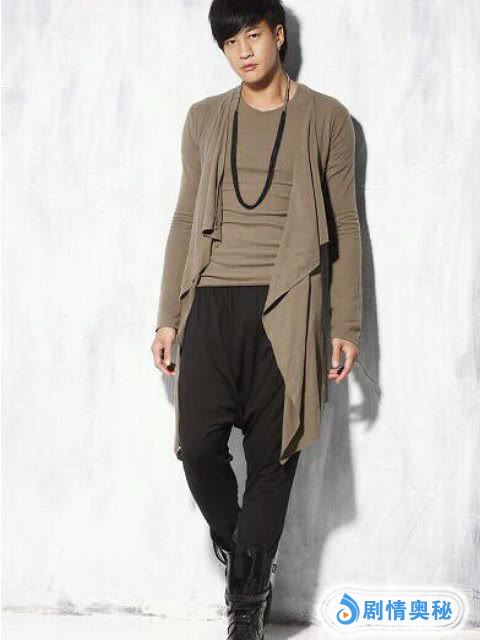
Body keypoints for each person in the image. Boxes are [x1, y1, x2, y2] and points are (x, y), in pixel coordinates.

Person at [151, 1, 362, 637]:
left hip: (289, 302)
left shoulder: (327, 118)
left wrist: (345, 323)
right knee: (198, 449)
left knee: (273, 456)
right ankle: (246, 549)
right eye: (229, 42)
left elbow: (345, 224)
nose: (243, 51)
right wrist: (167, 316)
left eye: (252, 35)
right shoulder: (204, 118)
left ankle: (247, 607)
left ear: (278, 35)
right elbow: (184, 216)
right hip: (211, 300)